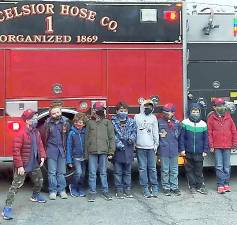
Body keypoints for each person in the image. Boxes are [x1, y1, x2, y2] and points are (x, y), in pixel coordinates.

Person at [2, 109, 46, 220]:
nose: (36, 119)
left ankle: (35, 195)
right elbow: (16, 150)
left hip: (34, 163)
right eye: (33, 117)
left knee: (39, 181)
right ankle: (7, 208)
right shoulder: (21, 133)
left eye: (36, 116)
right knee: (15, 186)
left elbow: (40, 145)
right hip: (24, 165)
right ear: (27, 121)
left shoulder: (36, 132)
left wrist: (42, 156)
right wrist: (20, 166)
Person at [85, 102, 115, 202]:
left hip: (104, 151)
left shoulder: (107, 122)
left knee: (103, 172)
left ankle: (105, 191)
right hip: (92, 151)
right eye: (98, 110)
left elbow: (111, 138)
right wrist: (86, 153)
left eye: (102, 109)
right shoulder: (89, 123)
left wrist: (111, 152)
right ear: (93, 111)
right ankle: (92, 192)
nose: (100, 111)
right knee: (92, 173)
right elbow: (86, 138)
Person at [207, 97, 237, 194]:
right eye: (218, 106)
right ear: (214, 107)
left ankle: (226, 183)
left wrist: (234, 143)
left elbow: (233, 131)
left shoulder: (229, 117)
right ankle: (220, 184)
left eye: (222, 105)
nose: (221, 107)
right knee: (219, 166)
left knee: (227, 166)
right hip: (217, 147)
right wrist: (211, 145)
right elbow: (209, 133)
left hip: (227, 146)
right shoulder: (211, 118)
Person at [179, 103, 208, 195]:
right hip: (188, 152)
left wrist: (205, 150)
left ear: (200, 112)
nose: (195, 113)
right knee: (189, 170)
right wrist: (182, 149)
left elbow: (206, 139)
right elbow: (182, 138)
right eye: (193, 111)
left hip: (199, 152)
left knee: (199, 170)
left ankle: (200, 186)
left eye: (197, 111)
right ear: (190, 112)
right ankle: (192, 186)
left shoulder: (203, 124)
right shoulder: (185, 123)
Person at [44, 103, 70, 200]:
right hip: (51, 150)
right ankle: (53, 191)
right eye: (54, 113)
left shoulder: (66, 122)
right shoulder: (47, 123)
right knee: (51, 172)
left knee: (61, 172)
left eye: (58, 112)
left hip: (62, 151)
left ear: (61, 111)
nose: (56, 115)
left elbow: (68, 136)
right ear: (50, 115)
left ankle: (62, 190)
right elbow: (44, 137)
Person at [134, 99, 159, 198]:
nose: (148, 108)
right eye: (146, 106)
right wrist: (135, 144)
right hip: (140, 147)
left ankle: (154, 187)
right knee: (142, 169)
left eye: (150, 106)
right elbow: (134, 131)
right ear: (142, 107)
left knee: (152, 168)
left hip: (151, 147)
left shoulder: (153, 118)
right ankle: (145, 188)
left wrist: (156, 145)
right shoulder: (137, 117)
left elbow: (155, 132)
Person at [111, 102, 137, 199]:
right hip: (118, 149)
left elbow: (135, 131)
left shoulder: (132, 121)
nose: (123, 112)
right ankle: (119, 190)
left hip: (128, 147)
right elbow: (111, 135)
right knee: (118, 171)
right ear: (117, 111)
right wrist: (118, 143)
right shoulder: (112, 122)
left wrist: (132, 138)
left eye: (125, 111)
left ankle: (127, 189)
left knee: (127, 171)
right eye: (121, 111)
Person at [158, 103, 181, 196]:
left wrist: (180, 149)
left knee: (174, 170)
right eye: (165, 112)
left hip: (174, 150)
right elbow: (157, 137)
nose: (166, 114)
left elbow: (179, 137)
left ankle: (174, 186)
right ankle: (166, 187)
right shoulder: (159, 122)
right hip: (164, 150)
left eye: (169, 112)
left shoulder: (177, 123)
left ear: (173, 113)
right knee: (165, 170)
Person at [66, 113, 87, 197]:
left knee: (83, 174)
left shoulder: (85, 133)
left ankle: (80, 188)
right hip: (75, 157)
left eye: (80, 122)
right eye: (76, 122)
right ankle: (73, 186)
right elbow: (69, 147)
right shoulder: (72, 133)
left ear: (84, 124)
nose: (78, 124)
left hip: (84, 157)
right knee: (78, 173)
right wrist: (69, 160)